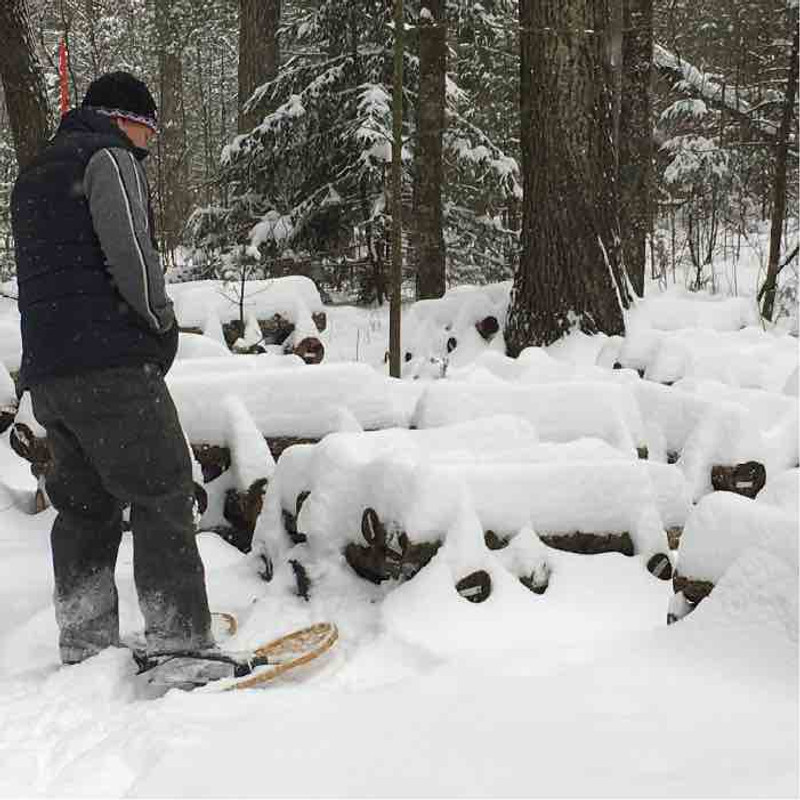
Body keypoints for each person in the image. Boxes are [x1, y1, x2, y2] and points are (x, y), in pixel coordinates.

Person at [11, 71, 214, 665]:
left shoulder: (35, 175)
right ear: (126, 120)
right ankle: (180, 642)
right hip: (112, 364)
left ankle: (84, 638)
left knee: (85, 506)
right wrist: (161, 322)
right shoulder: (110, 156)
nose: (147, 147)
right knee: (163, 489)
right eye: (147, 131)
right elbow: (132, 252)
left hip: (49, 374)